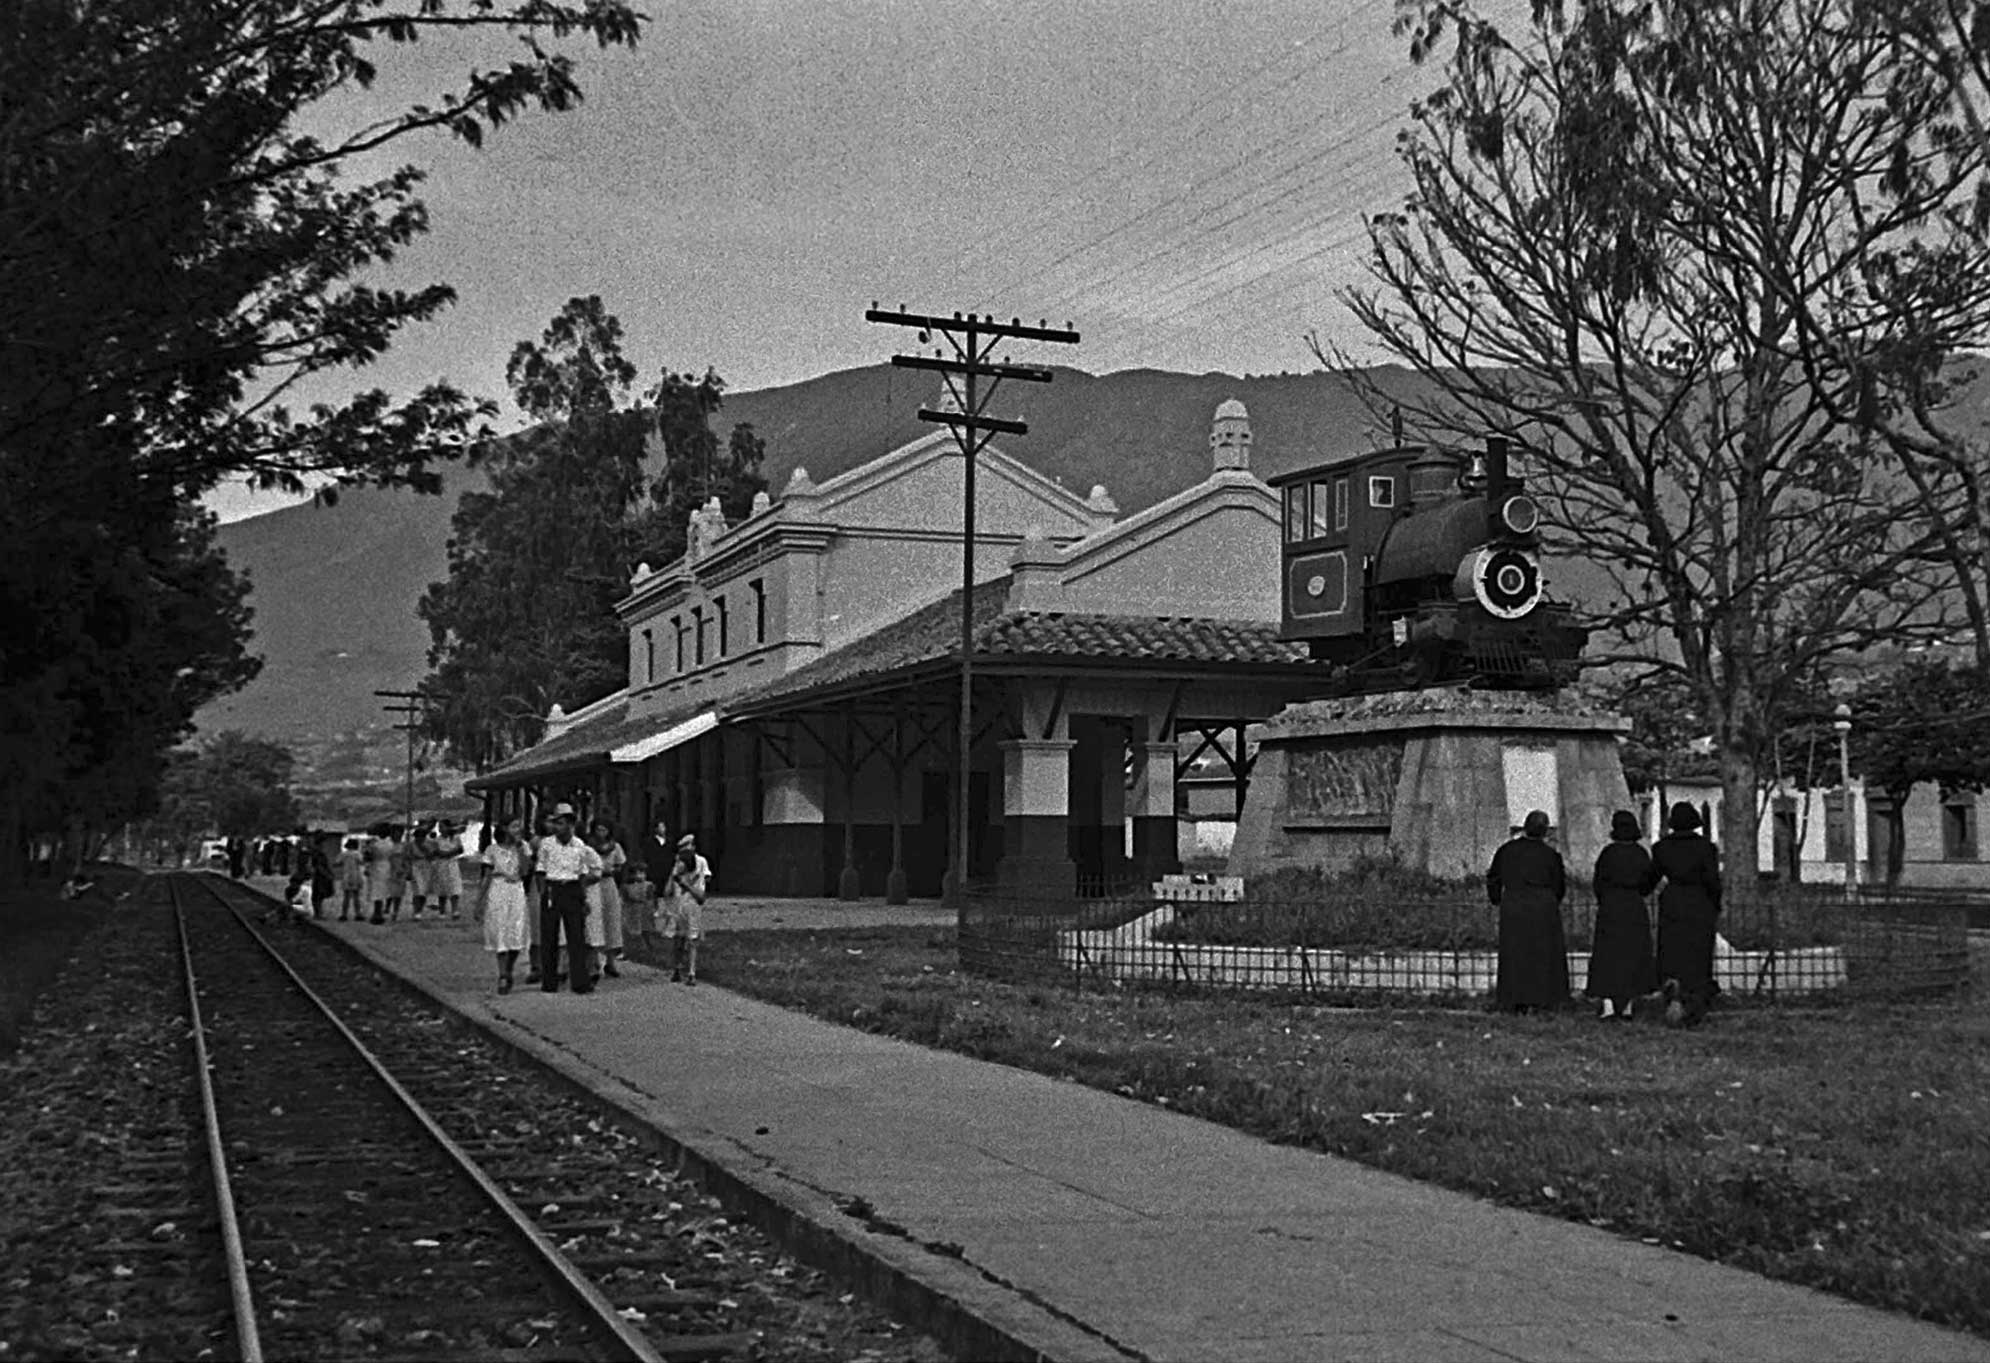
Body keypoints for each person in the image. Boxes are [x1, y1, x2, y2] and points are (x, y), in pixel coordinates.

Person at [1485, 809, 1571, 1013]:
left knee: (1515, 954)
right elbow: (1559, 885)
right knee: (1543, 955)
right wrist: (1551, 901)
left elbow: (1493, 878)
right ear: (1544, 832)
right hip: (1543, 906)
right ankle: (1543, 1000)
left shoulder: (1507, 850)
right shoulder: (1550, 855)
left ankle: (1515, 1000)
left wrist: (1497, 899)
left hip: (1514, 903)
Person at [1651, 801, 1723, 1026]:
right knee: (1698, 953)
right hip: (1699, 902)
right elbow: (1712, 881)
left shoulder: (1661, 848)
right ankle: (1694, 998)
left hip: (1672, 901)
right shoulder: (1706, 848)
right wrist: (1716, 904)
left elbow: (1651, 878)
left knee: (1672, 950)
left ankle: (1673, 990)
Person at [1585, 809, 1658, 1020]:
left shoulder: (1608, 854)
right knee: (1632, 954)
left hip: (1610, 906)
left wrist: (1606, 898)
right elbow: (1648, 883)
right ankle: (1627, 1005)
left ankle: (1608, 1004)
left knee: (1608, 955)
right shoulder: (1640, 854)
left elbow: (1598, 883)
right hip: (1634, 906)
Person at [533, 803, 602, 993]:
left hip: (572, 889)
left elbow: (582, 873)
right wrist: (543, 893)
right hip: (552, 887)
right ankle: (549, 982)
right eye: (555, 823)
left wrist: (584, 898)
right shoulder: (547, 844)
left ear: (571, 825)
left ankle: (580, 982)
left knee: (576, 937)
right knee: (549, 937)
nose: (557, 828)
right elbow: (540, 870)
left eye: (561, 824)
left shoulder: (579, 846)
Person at [476, 816, 532, 993]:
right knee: (500, 929)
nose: (518, 829)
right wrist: (479, 901)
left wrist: (521, 849)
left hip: (516, 889)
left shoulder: (523, 847)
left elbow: (525, 871)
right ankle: (502, 974)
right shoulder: (492, 850)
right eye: (514, 826)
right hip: (498, 889)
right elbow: (486, 876)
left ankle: (510, 967)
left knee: (516, 931)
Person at [664, 833, 710, 985]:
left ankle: (691, 971)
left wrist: (685, 884)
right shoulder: (677, 865)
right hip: (678, 905)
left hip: (691, 905)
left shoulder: (701, 863)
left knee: (692, 938)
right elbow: (668, 891)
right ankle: (677, 968)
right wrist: (674, 877)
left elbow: (701, 895)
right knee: (678, 939)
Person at [585, 820, 628, 981]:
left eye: (604, 829)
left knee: (611, 921)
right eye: (598, 829)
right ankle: (595, 961)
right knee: (595, 921)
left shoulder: (615, 847)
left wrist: (614, 871)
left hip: (609, 883)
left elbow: (621, 865)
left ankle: (611, 961)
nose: (601, 833)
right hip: (593, 885)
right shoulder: (588, 847)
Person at [431, 819, 466, 921]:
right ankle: (442, 911)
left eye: (442, 826)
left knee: (454, 887)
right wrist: (450, 852)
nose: (440, 829)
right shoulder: (437, 840)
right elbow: (437, 852)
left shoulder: (455, 838)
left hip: (452, 864)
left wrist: (449, 853)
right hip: (441, 865)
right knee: (442, 888)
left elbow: (460, 849)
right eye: (439, 827)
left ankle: (455, 910)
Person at [623, 863, 658, 955]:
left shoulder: (648, 885)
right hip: (632, 910)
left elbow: (651, 898)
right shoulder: (627, 886)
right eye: (637, 873)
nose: (640, 876)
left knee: (645, 929)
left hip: (645, 909)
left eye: (642, 873)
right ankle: (635, 947)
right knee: (632, 930)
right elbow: (625, 899)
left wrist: (653, 910)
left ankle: (648, 946)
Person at [364, 823, 396, 924]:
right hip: (387, 866)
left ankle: (377, 913)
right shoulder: (391, 843)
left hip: (376, 865)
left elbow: (368, 855)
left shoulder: (374, 843)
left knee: (376, 890)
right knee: (383, 890)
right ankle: (381, 912)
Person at [337, 837, 366, 921]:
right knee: (356, 896)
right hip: (356, 875)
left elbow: (337, 863)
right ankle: (358, 914)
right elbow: (362, 862)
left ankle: (344, 914)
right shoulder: (357, 854)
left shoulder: (343, 854)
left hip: (346, 876)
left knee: (346, 896)